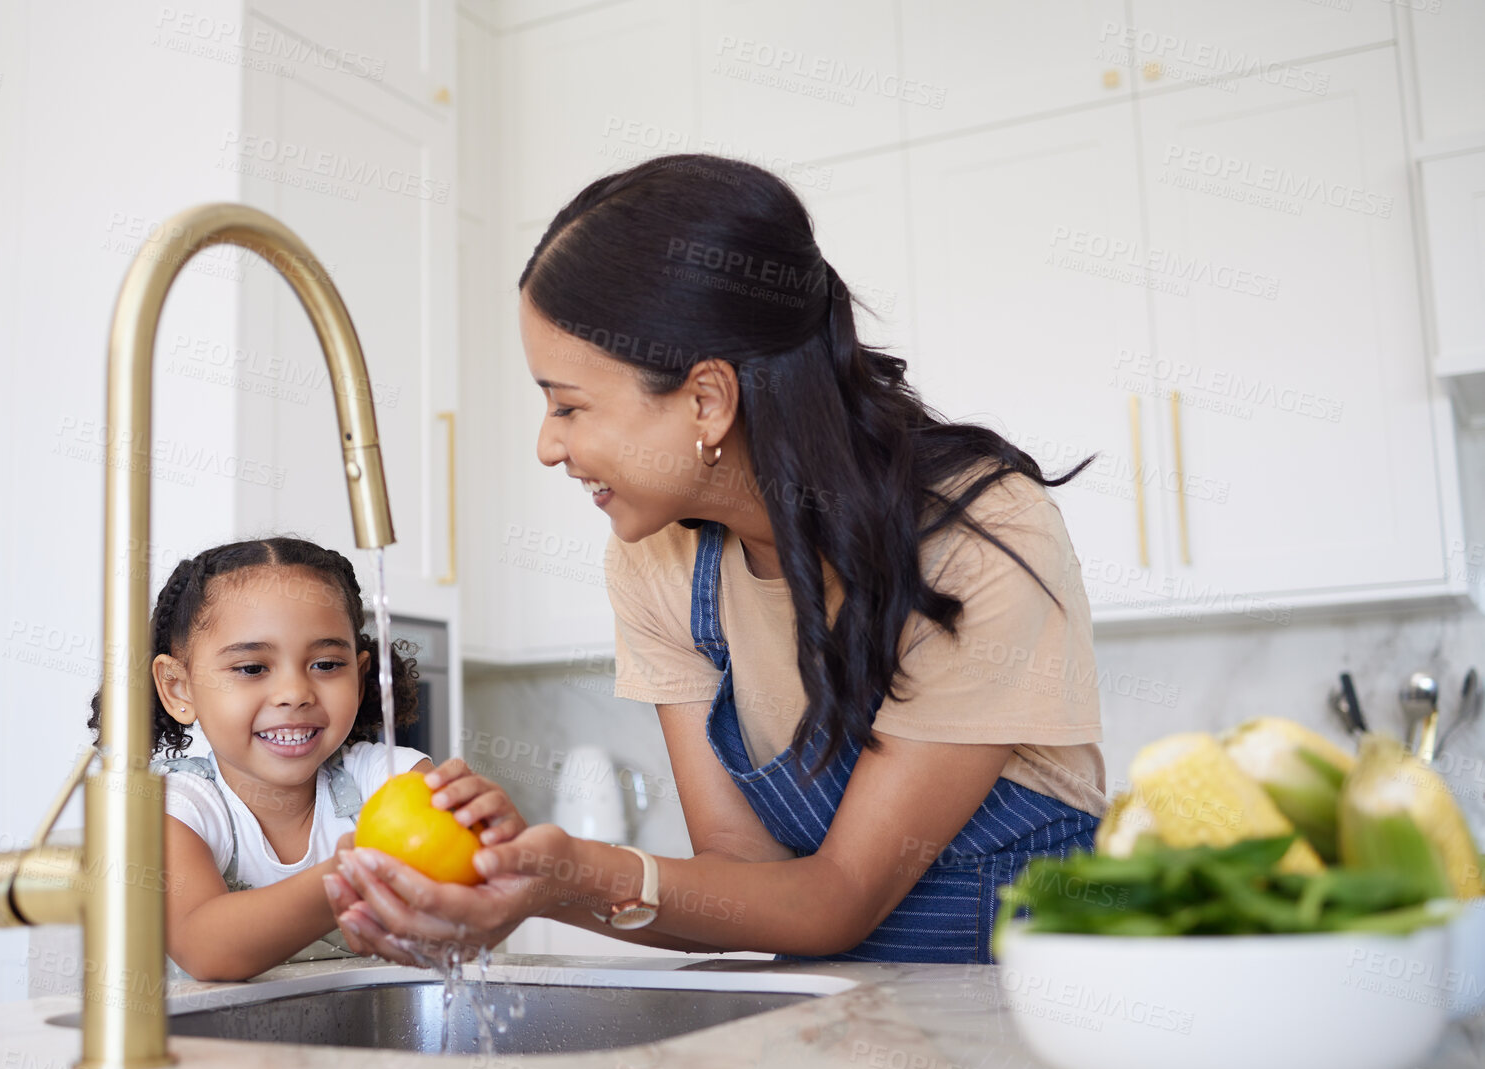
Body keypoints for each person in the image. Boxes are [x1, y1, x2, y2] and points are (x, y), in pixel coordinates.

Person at [325, 154, 1106, 965]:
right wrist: (531, 878)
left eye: (568, 404)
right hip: (831, 1028)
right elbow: (742, 880)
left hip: (1017, 1028)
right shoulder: (657, 560)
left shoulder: (979, 535)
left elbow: (832, 900)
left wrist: (569, 873)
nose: (547, 445)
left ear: (705, 399)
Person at [87, 536, 523, 981]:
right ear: (179, 689)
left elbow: (461, 910)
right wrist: (352, 874)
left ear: (359, 675)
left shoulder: (388, 778)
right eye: (252, 668)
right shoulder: (178, 808)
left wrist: (489, 841)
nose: (295, 694)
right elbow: (206, 948)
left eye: (327, 665)